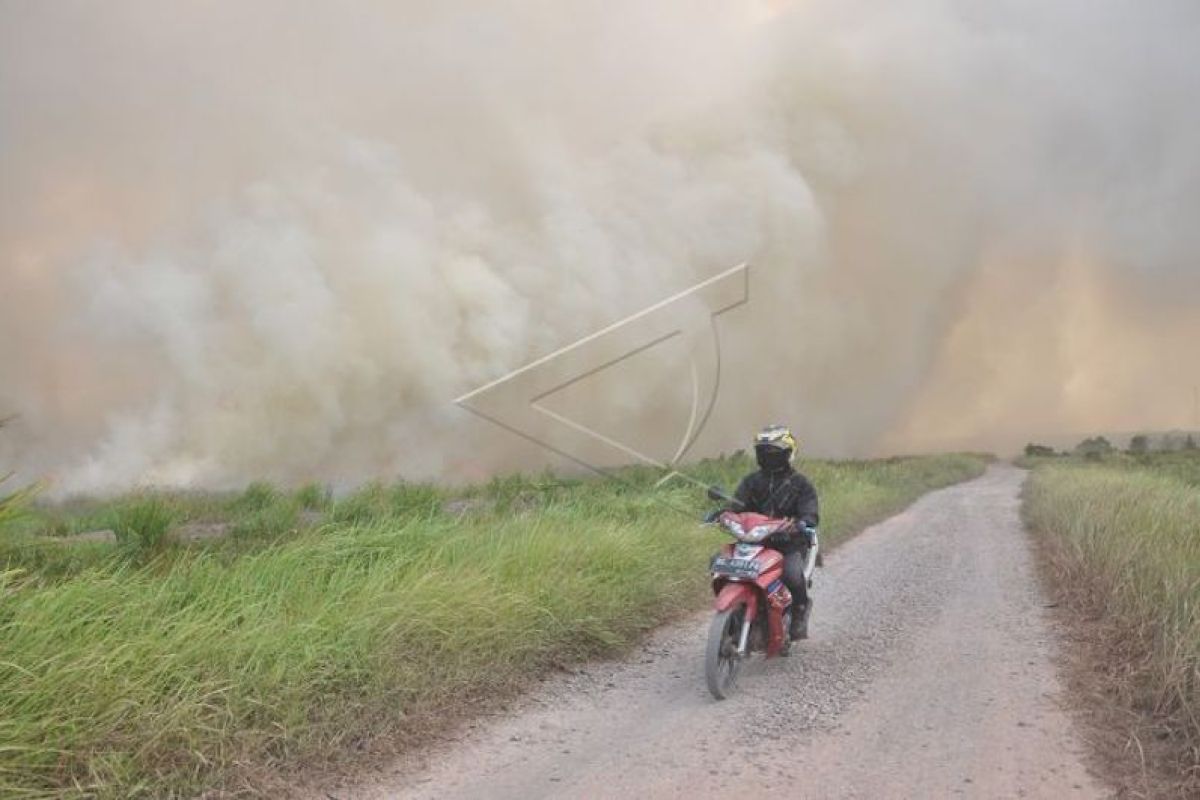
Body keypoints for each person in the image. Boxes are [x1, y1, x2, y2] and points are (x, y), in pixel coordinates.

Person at [713, 424, 819, 641]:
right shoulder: (752, 481)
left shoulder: (801, 484)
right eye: (764, 453)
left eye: (774, 453)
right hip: (753, 542)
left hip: (787, 544)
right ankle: (737, 616)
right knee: (722, 567)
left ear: (788, 454)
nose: (768, 457)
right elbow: (737, 505)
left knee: (792, 575)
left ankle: (799, 612)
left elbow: (810, 514)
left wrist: (801, 523)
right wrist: (723, 513)